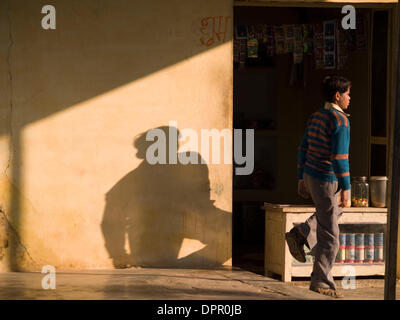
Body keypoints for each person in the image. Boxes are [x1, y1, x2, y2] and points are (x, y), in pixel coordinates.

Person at [285, 75, 351, 298]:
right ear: (337, 96)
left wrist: (300, 177)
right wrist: (347, 187)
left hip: (311, 175)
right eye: (348, 94)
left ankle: (302, 231)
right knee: (331, 235)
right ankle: (321, 282)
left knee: (330, 214)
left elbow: (302, 147)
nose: (350, 98)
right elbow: (340, 158)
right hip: (326, 178)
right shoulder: (340, 121)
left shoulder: (316, 116)